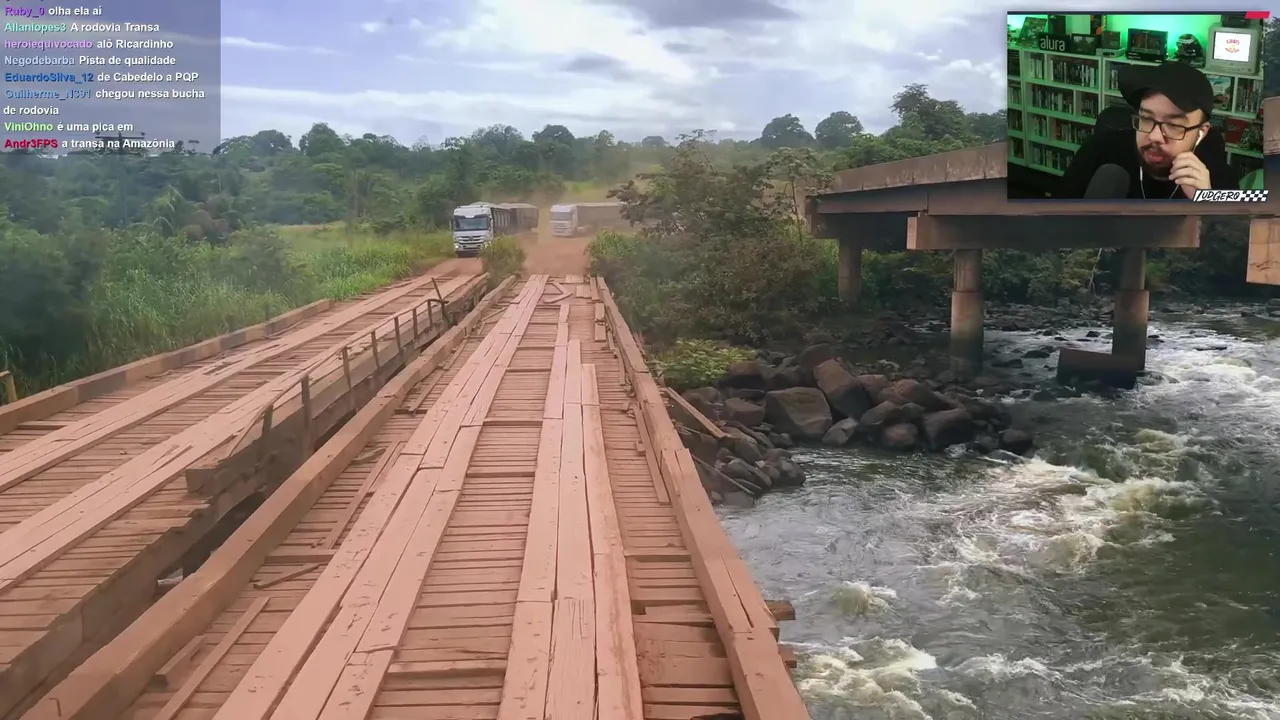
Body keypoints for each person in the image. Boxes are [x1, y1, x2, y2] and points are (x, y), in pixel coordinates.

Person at [1058, 61, 1237, 199]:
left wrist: (1206, 205)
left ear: (1201, 132)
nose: (1155, 136)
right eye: (1146, 119)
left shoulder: (1220, 178)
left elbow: (1233, 235)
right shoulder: (1099, 149)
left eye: (1174, 125)